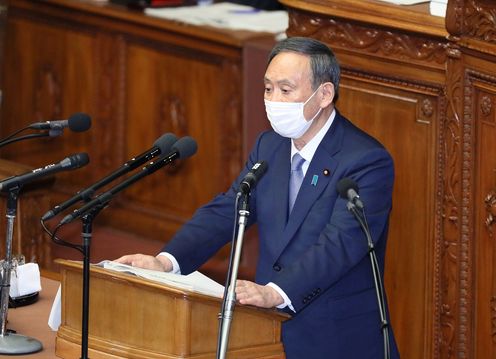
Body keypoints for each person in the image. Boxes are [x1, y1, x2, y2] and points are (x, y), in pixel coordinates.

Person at [116, 37, 400, 358]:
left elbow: (340, 246)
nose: (273, 100)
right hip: (265, 331)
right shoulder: (270, 146)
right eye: (268, 88)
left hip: (336, 338)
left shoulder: (366, 160)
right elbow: (229, 209)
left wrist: (275, 292)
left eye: (285, 89)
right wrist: (166, 261)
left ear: (324, 94)